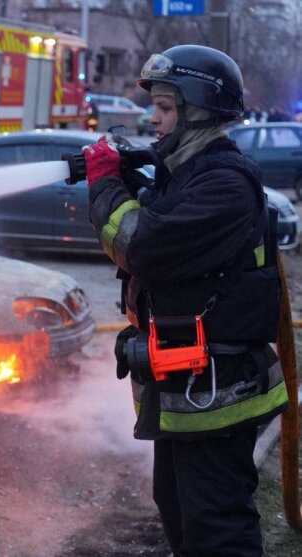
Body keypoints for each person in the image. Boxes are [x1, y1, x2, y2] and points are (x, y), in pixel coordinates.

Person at [83, 45, 288, 556]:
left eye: (166, 107)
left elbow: (139, 246)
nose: (153, 118)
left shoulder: (225, 184)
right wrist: (132, 175)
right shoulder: (185, 174)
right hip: (184, 389)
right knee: (177, 514)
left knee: (216, 529)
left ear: (199, 110)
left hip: (218, 395)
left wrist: (106, 185)